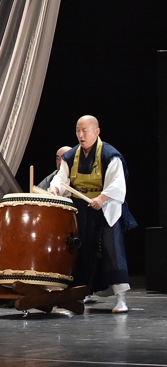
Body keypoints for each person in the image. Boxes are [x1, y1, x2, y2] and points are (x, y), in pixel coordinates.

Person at [48, 115, 135, 313]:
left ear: (96, 132)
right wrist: (55, 189)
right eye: (78, 131)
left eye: (85, 131)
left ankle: (121, 298)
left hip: (105, 207)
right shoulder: (71, 156)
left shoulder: (110, 155)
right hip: (81, 207)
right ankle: (82, 292)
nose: (81, 135)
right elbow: (61, 178)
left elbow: (117, 183)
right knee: (81, 249)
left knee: (111, 247)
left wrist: (101, 198)